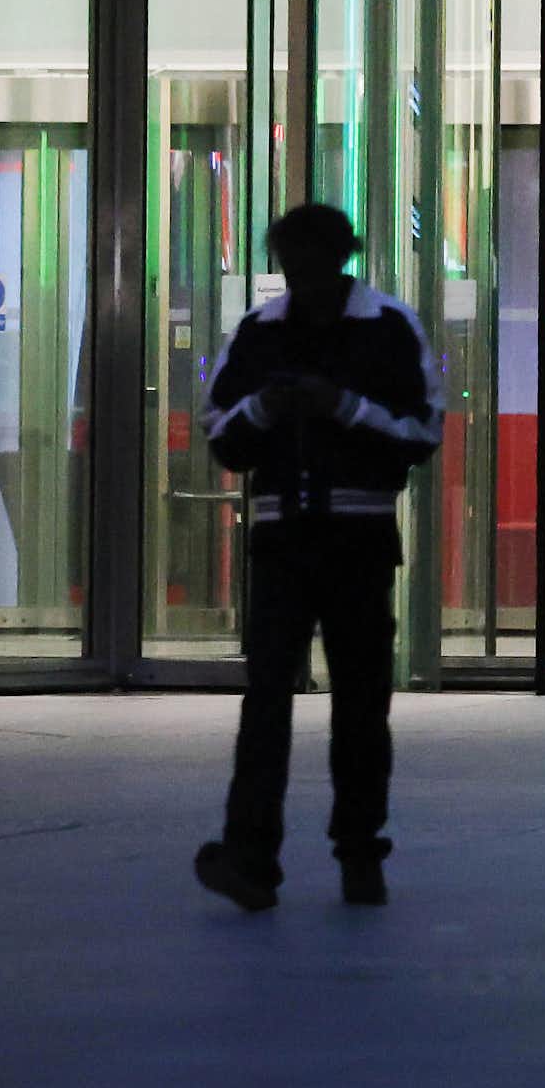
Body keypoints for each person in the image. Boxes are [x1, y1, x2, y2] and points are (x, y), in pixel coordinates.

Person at [193, 204, 440, 912]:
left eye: (310, 266)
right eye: (292, 268)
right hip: (294, 535)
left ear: (340, 260)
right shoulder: (265, 331)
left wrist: (341, 406)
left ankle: (310, 855)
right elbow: (222, 432)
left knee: (333, 702)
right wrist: (267, 409)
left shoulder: (386, 326)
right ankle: (314, 858)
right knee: (294, 702)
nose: (301, 280)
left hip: (348, 537)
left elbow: (421, 432)